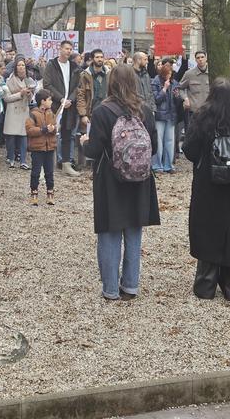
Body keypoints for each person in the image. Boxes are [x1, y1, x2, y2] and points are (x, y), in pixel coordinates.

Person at [82, 64, 159, 301]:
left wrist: (84, 141)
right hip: (140, 180)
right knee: (134, 232)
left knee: (109, 232)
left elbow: (94, 150)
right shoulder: (144, 110)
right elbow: (153, 148)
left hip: (110, 179)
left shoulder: (102, 111)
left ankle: (110, 289)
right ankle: (131, 286)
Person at [182, 78, 230, 301]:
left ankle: (206, 285)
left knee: (208, 230)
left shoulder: (202, 116)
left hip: (208, 185)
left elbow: (190, 150)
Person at [42, 40, 81, 176]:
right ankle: (45, 166)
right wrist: (61, 98)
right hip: (55, 105)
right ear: (60, 49)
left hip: (70, 105)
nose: (68, 51)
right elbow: (47, 84)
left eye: (70, 49)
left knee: (67, 134)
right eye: (66, 48)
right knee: (50, 133)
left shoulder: (75, 66)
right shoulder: (52, 65)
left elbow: (78, 85)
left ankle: (66, 164)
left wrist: (70, 98)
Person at [25, 89, 58, 206]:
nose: (51, 102)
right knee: (36, 172)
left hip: (49, 147)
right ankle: (34, 193)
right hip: (37, 148)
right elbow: (29, 130)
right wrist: (43, 130)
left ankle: (50, 193)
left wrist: (53, 129)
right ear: (43, 101)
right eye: (49, 99)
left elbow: (55, 127)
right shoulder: (33, 113)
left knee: (49, 172)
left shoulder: (51, 113)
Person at [3, 58, 35, 171]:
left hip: (24, 110)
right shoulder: (10, 80)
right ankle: (11, 158)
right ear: (15, 67)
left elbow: (31, 99)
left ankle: (23, 160)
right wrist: (20, 94)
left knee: (23, 136)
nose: (21, 67)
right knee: (11, 136)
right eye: (19, 65)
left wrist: (30, 93)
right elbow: (6, 98)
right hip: (13, 109)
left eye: (23, 65)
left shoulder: (29, 80)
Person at [151, 58, 179, 173]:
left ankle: (168, 165)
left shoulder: (175, 83)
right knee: (159, 140)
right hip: (160, 115)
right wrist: (164, 89)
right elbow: (156, 99)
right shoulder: (156, 82)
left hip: (171, 115)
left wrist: (177, 97)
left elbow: (177, 102)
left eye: (171, 74)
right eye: (167, 74)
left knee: (170, 141)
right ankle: (157, 165)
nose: (169, 76)